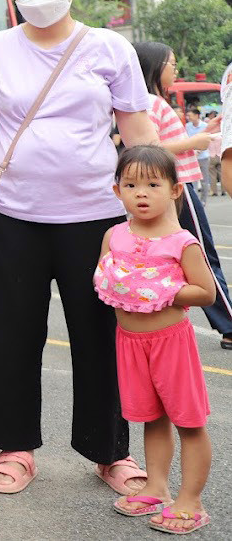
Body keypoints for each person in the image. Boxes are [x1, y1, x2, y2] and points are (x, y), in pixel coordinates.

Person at [0, 0, 161, 497]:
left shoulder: (109, 48)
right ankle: (16, 449)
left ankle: (110, 453)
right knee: (11, 336)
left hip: (99, 218)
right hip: (17, 216)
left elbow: (137, 132)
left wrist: (161, 210)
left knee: (101, 337)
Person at [96, 145, 215, 534]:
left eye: (152, 184)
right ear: (118, 192)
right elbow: (105, 277)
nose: (141, 193)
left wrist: (162, 289)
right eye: (130, 185)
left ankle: (190, 500)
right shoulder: (114, 235)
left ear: (175, 190)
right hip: (129, 342)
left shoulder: (182, 242)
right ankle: (157, 487)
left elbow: (206, 292)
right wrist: (124, 282)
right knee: (151, 416)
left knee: (189, 421)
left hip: (170, 342)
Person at [132, 41, 232, 351]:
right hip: (178, 185)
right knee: (202, 255)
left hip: (175, 186)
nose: (174, 69)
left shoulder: (151, 100)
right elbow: (149, 148)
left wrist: (202, 133)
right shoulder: (148, 101)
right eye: (170, 63)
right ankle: (229, 324)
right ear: (153, 66)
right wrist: (195, 143)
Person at [185, 105, 213, 201]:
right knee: (193, 181)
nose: (188, 118)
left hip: (204, 157)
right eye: (187, 116)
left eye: (190, 115)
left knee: (204, 180)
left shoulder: (205, 126)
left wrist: (199, 151)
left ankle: (203, 201)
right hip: (192, 157)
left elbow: (208, 141)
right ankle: (195, 200)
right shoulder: (187, 126)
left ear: (197, 115)